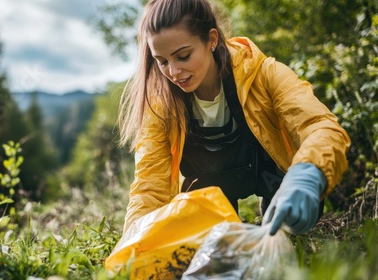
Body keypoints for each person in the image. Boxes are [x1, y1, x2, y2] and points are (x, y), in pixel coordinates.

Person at [118, 0, 350, 236]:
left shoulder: (264, 73)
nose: (173, 72)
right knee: (209, 241)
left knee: (286, 229)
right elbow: (149, 186)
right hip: (208, 192)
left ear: (212, 39)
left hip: (274, 175)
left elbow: (320, 126)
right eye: (163, 62)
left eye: (184, 56)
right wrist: (134, 241)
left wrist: (308, 176)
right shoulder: (161, 107)